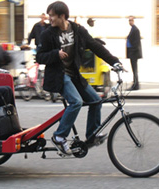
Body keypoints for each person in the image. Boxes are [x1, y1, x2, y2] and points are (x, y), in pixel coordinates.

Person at [36, 1, 121, 155]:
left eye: (52, 16)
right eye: (49, 16)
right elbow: (40, 57)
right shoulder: (47, 34)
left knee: (96, 100)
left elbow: (96, 46)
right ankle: (59, 136)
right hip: (59, 76)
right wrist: (55, 54)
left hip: (74, 75)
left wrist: (114, 62)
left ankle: (92, 135)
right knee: (76, 102)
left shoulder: (77, 30)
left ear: (62, 16)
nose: (50, 19)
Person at [126, 16, 142, 90]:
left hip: (134, 53)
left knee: (135, 69)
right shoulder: (132, 29)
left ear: (134, 21)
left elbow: (136, 43)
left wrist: (133, 51)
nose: (130, 22)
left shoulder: (135, 30)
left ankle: (136, 85)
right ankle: (135, 84)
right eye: (129, 20)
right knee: (134, 69)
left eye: (131, 20)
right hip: (132, 53)